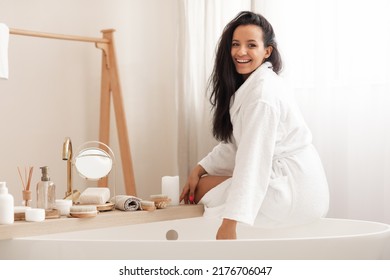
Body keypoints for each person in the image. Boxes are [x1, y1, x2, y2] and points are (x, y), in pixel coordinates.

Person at [179, 11, 329, 240]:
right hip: (300, 185)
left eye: (251, 45)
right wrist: (199, 168)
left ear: (267, 51)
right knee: (200, 182)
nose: (241, 52)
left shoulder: (262, 95)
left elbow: (253, 160)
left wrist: (230, 223)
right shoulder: (253, 86)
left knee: (201, 190)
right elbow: (236, 146)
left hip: (293, 190)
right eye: (236, 44)